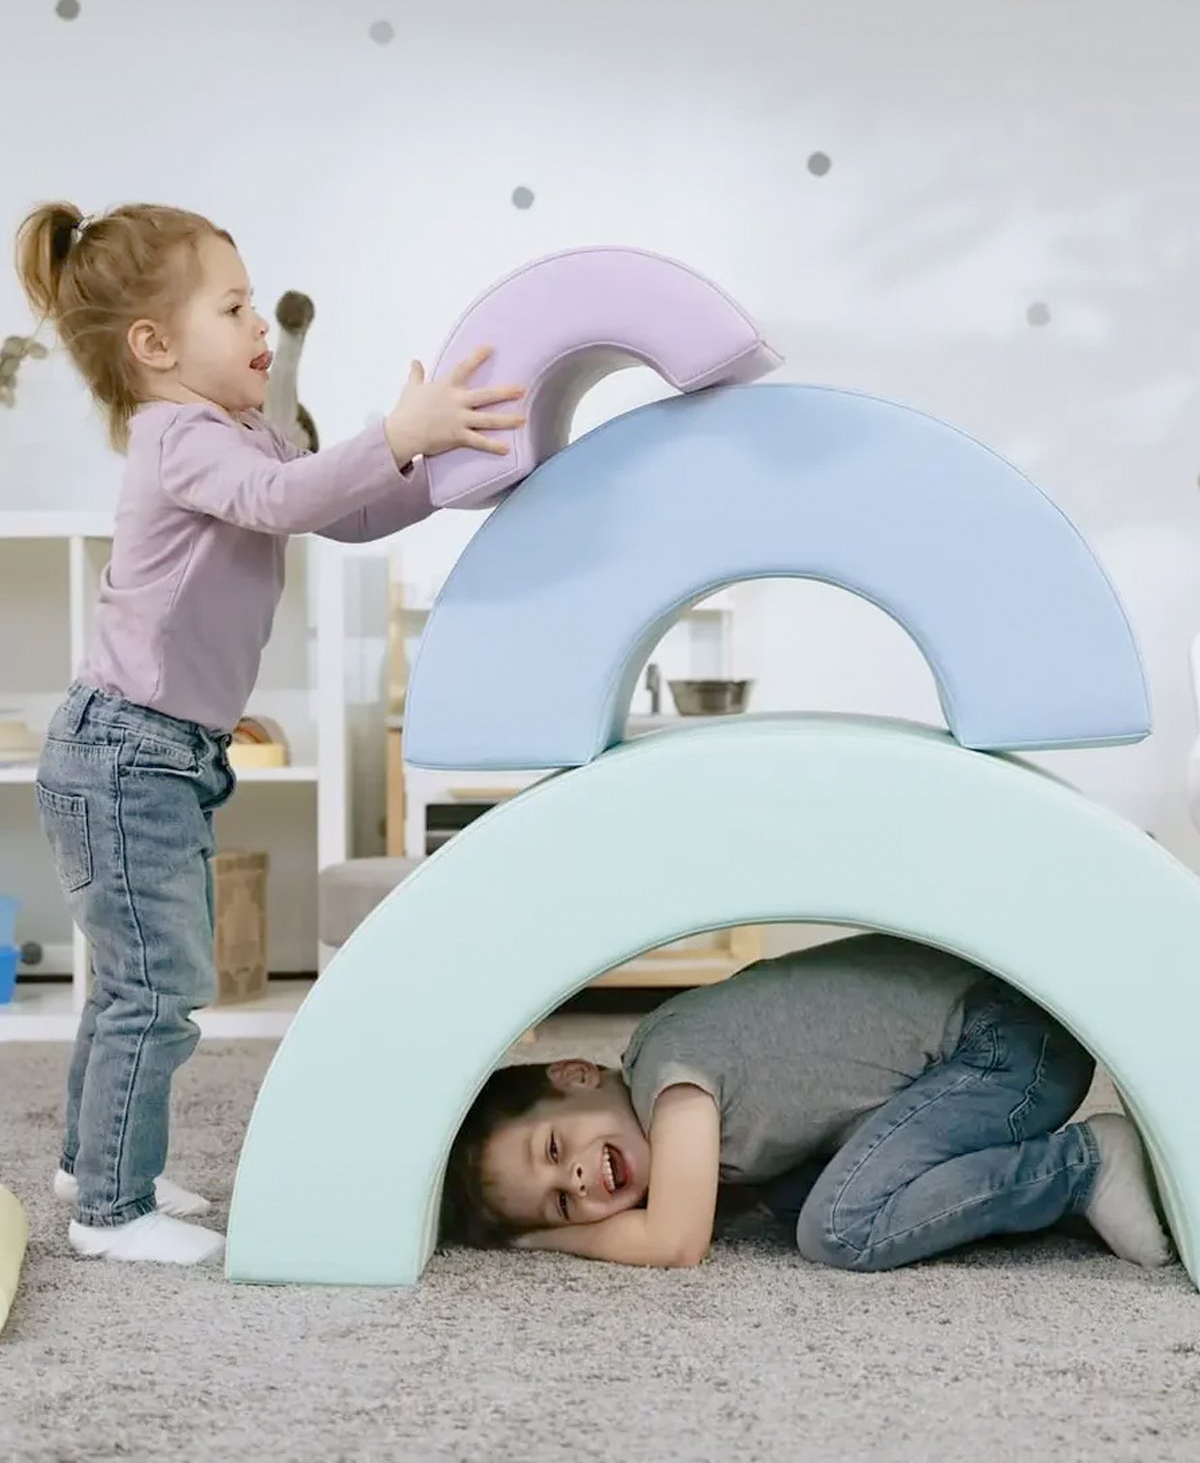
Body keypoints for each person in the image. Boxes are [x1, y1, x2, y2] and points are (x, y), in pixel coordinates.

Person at [16, 200, 524, 1265]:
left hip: (158, 754)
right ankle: (110, 1210)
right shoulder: (179, 440)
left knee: (134, 979)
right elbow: (286, 497)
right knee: (157, 987)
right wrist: (394, 435)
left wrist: (439, 467)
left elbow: (342, 510)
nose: (258, 324)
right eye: (234, 306)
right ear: (154, 346)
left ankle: (94, 1161)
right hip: (126, 751)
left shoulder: (238, 433)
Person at [440, 935, 1173, 1273]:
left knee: (841, 1227)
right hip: (991, 1029)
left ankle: (1079, 1166)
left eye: (553, 1149)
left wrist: (541, 1240)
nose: (574, 1182)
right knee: (789, 1201)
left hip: (1007, 1044)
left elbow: (676, 1242)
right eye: (560, 1204)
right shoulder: (674, 1082)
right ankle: (1042, 1197)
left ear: (575, 1074)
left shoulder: (673, 1078)